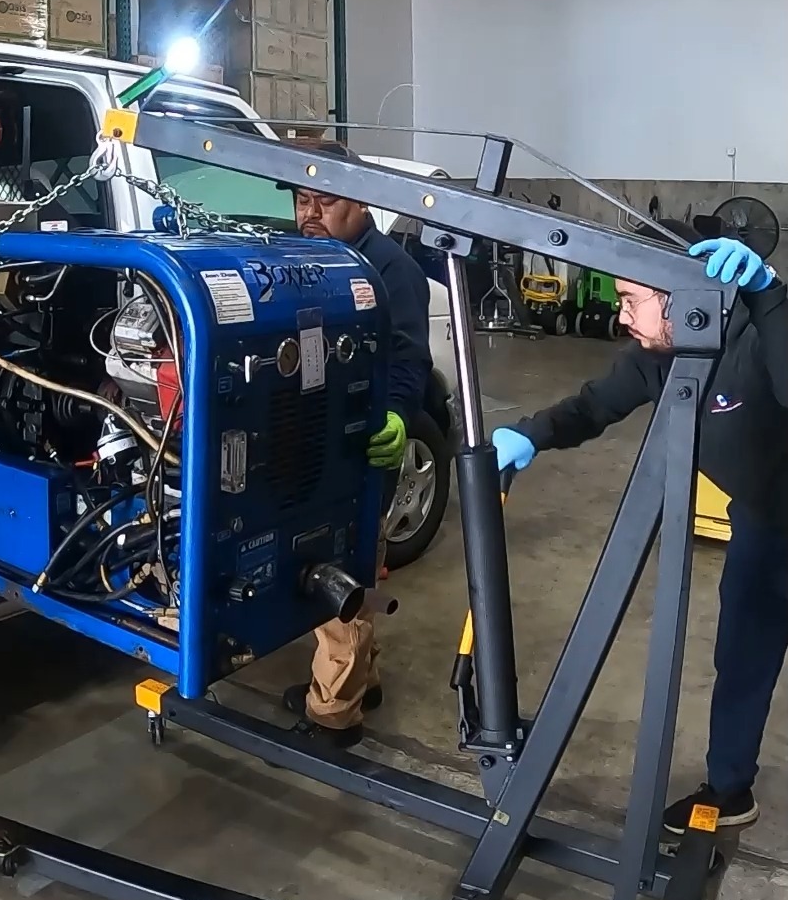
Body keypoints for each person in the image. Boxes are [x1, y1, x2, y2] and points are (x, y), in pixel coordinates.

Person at [492, 233, 788, 831]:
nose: (620, 314)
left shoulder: (756, 339)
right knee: (743, 654)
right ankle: (730, 789)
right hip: (767, 522)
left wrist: (770, 294)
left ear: (682, 301)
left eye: (632, 300)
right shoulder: (658, 360)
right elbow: (593, 406)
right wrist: (530, 434)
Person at [282, 146, 434, 747]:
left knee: (337, 573)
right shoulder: (310, 258)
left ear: (362, 200)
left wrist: (396, 416)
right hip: (320, 443)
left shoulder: (391, 269)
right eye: (302, 200)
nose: (311, 213)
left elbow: (407, 357)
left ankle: (333, 715)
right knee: (354, 570)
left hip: (362, 449)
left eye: (327, 200)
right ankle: (359, 683)